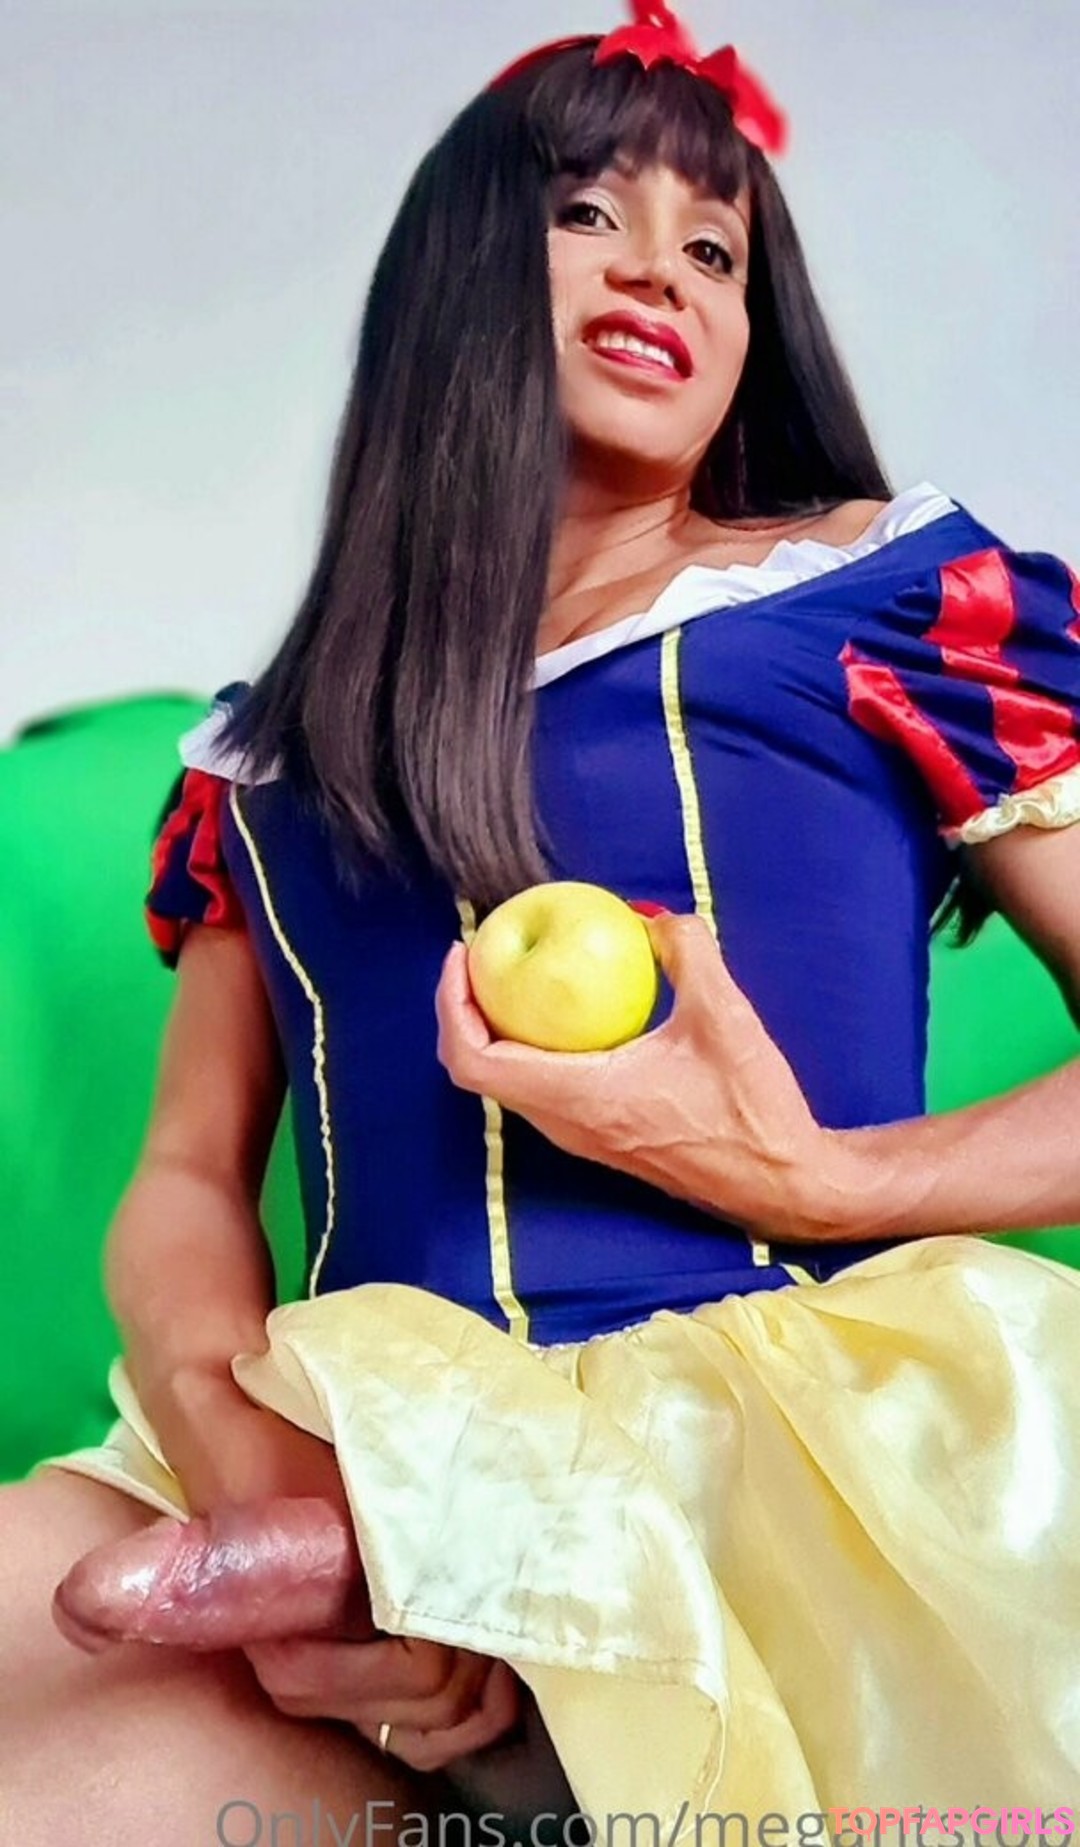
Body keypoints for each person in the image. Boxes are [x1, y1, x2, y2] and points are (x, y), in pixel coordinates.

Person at [4, 3, 1080, 1840]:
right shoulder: (269, 751)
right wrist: (246, 1464)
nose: (659, 267)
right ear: (454, 275)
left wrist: (825, 1180)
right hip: (354, 1450)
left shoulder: (891, 601)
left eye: (716, 250)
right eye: (588, 212)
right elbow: (187, 1172)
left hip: (783, 1463)